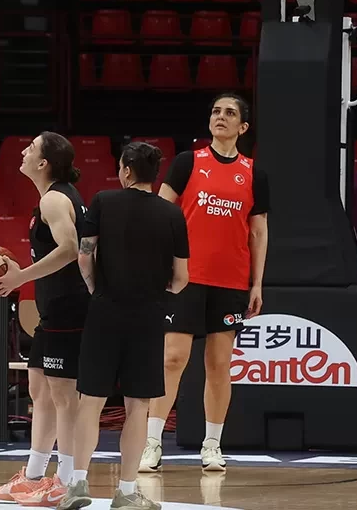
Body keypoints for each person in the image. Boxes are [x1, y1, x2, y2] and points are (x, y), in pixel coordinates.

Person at [141, 93, 270, 473]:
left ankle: (212, 446)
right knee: (172, 359)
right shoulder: (187, 162)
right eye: (215, 111)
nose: (221, 117)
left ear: (242, 127)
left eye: (230, 113)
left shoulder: (254, 173)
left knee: (218, 365)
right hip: (185, 278)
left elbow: (259, 232)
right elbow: (161, 214)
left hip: (230, 283)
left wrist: (256, 283)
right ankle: (152, 443)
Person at [57, 142, 189, 510]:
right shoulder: (172, 215)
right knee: (138, 406)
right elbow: (181, 278)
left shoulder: (102, 201)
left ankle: (78, 484)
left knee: (91, 402)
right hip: (148, 316)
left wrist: (96, 287)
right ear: (154, 174)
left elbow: (85, 256)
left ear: (127, 170)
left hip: (104, 312)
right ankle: (127, 491)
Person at [0, 132, 89, 508]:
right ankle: (32, 477)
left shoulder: (56, 199)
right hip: (53, 311)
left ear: (44, 163)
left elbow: (70, 249)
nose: (24, 151)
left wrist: (19, 277)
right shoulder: (51, 198)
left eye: (31, 147)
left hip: (69, 309)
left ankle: (65, 483)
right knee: (39, 392)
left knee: (64, 399)